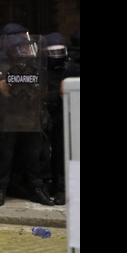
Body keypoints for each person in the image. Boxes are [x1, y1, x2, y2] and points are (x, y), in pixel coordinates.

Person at [0, 23, 53, 207]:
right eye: (21, 46)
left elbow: (43, 89)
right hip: (8, 118)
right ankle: (0, 190)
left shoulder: (35, 64)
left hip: (30, 117)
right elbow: (3, 90)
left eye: (26, 46)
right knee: (4, 157)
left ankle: (36, 189)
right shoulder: (2, 64)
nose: (25, 49)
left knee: (33, 157)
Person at [41, 32, 79, 205]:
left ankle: (63, 188)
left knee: (61, 152)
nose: (55, 57)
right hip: (45, 114)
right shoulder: (41, 69)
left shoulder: (71, 68)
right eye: (51, 52)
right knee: (44, 153)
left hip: (65, 114)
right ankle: (49, 184)